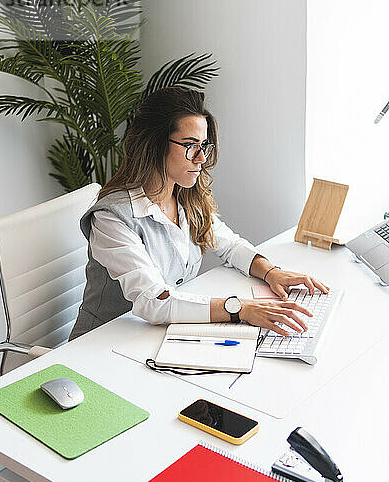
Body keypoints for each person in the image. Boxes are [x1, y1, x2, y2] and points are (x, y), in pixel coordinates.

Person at [69, 87, 328, 341]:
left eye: (204, 145)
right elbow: (153, 301)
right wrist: (241, 309)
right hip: (98, 347)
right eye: (190, 145)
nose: (202, 158)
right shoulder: (112, 218)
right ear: (154, 145)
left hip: (154, 338)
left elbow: (231, 246)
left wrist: (271, 272)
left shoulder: (186, 199)